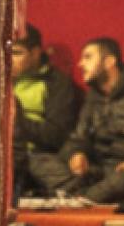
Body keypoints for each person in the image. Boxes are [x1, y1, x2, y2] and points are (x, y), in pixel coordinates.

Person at [40, 37, 124, 208]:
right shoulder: (93, 96)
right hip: (99, 171)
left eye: (88, 57)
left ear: (109, 62)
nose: (80, 64)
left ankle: (81, 198)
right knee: (39, 162)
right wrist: (76, 154)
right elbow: (78, 137)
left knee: (123, 180)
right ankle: (86, 195)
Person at [11, 25, 82, 196]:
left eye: (17, 53)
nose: (9, 59)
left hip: (35, 154)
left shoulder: (57, 83)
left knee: (69, 186)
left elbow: (55, 135)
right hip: (0, 152)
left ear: (35, 53)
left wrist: (17, 118)